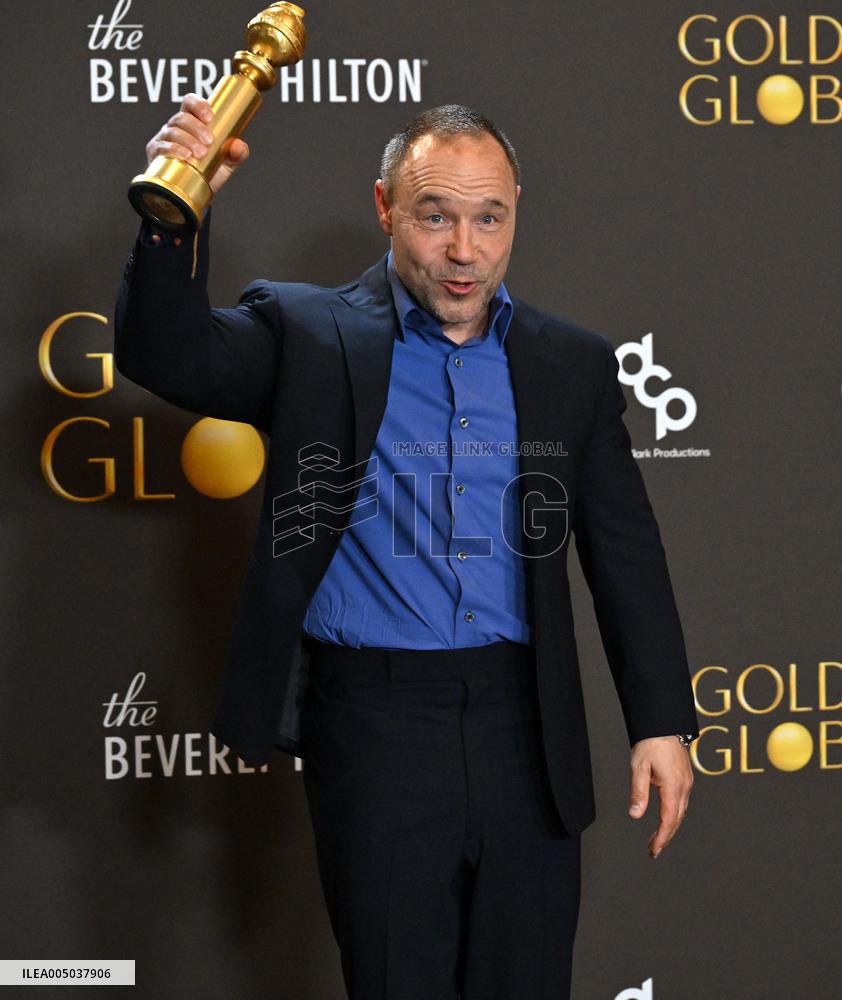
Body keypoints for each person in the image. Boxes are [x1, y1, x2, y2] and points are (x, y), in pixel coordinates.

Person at [115, 95, 700, 1000]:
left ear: (515, 212)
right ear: (386, 208)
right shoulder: (308, 334)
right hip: (375, 726)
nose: (465, 249)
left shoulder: (572, 364)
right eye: (435, 217)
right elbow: (168, 355)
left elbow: (625, 549)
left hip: (526, 726)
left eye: (489, 218)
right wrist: (176, 210)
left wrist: (660, 719)